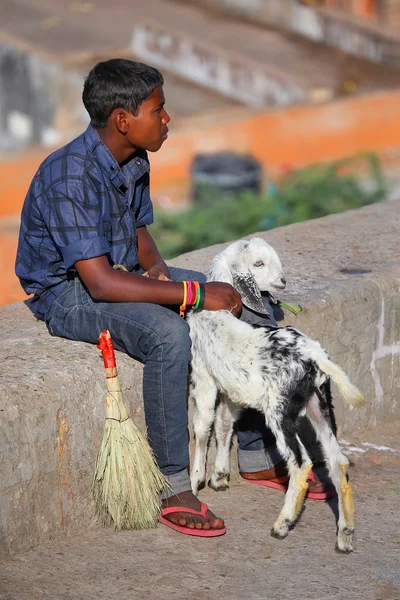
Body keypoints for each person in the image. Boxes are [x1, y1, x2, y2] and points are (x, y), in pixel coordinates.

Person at [16, 58, 332, 538]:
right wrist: (189, 293)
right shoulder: (69, 177)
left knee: (245, 303)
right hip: (67, 293)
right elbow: (99, 284)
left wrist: (161, 272)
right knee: (168, 333)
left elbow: (138, 230)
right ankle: (173, 484)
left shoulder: (133, 157)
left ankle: (252, 450)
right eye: (158, 110)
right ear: (123, 120)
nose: (167, 119)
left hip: (116, 272)